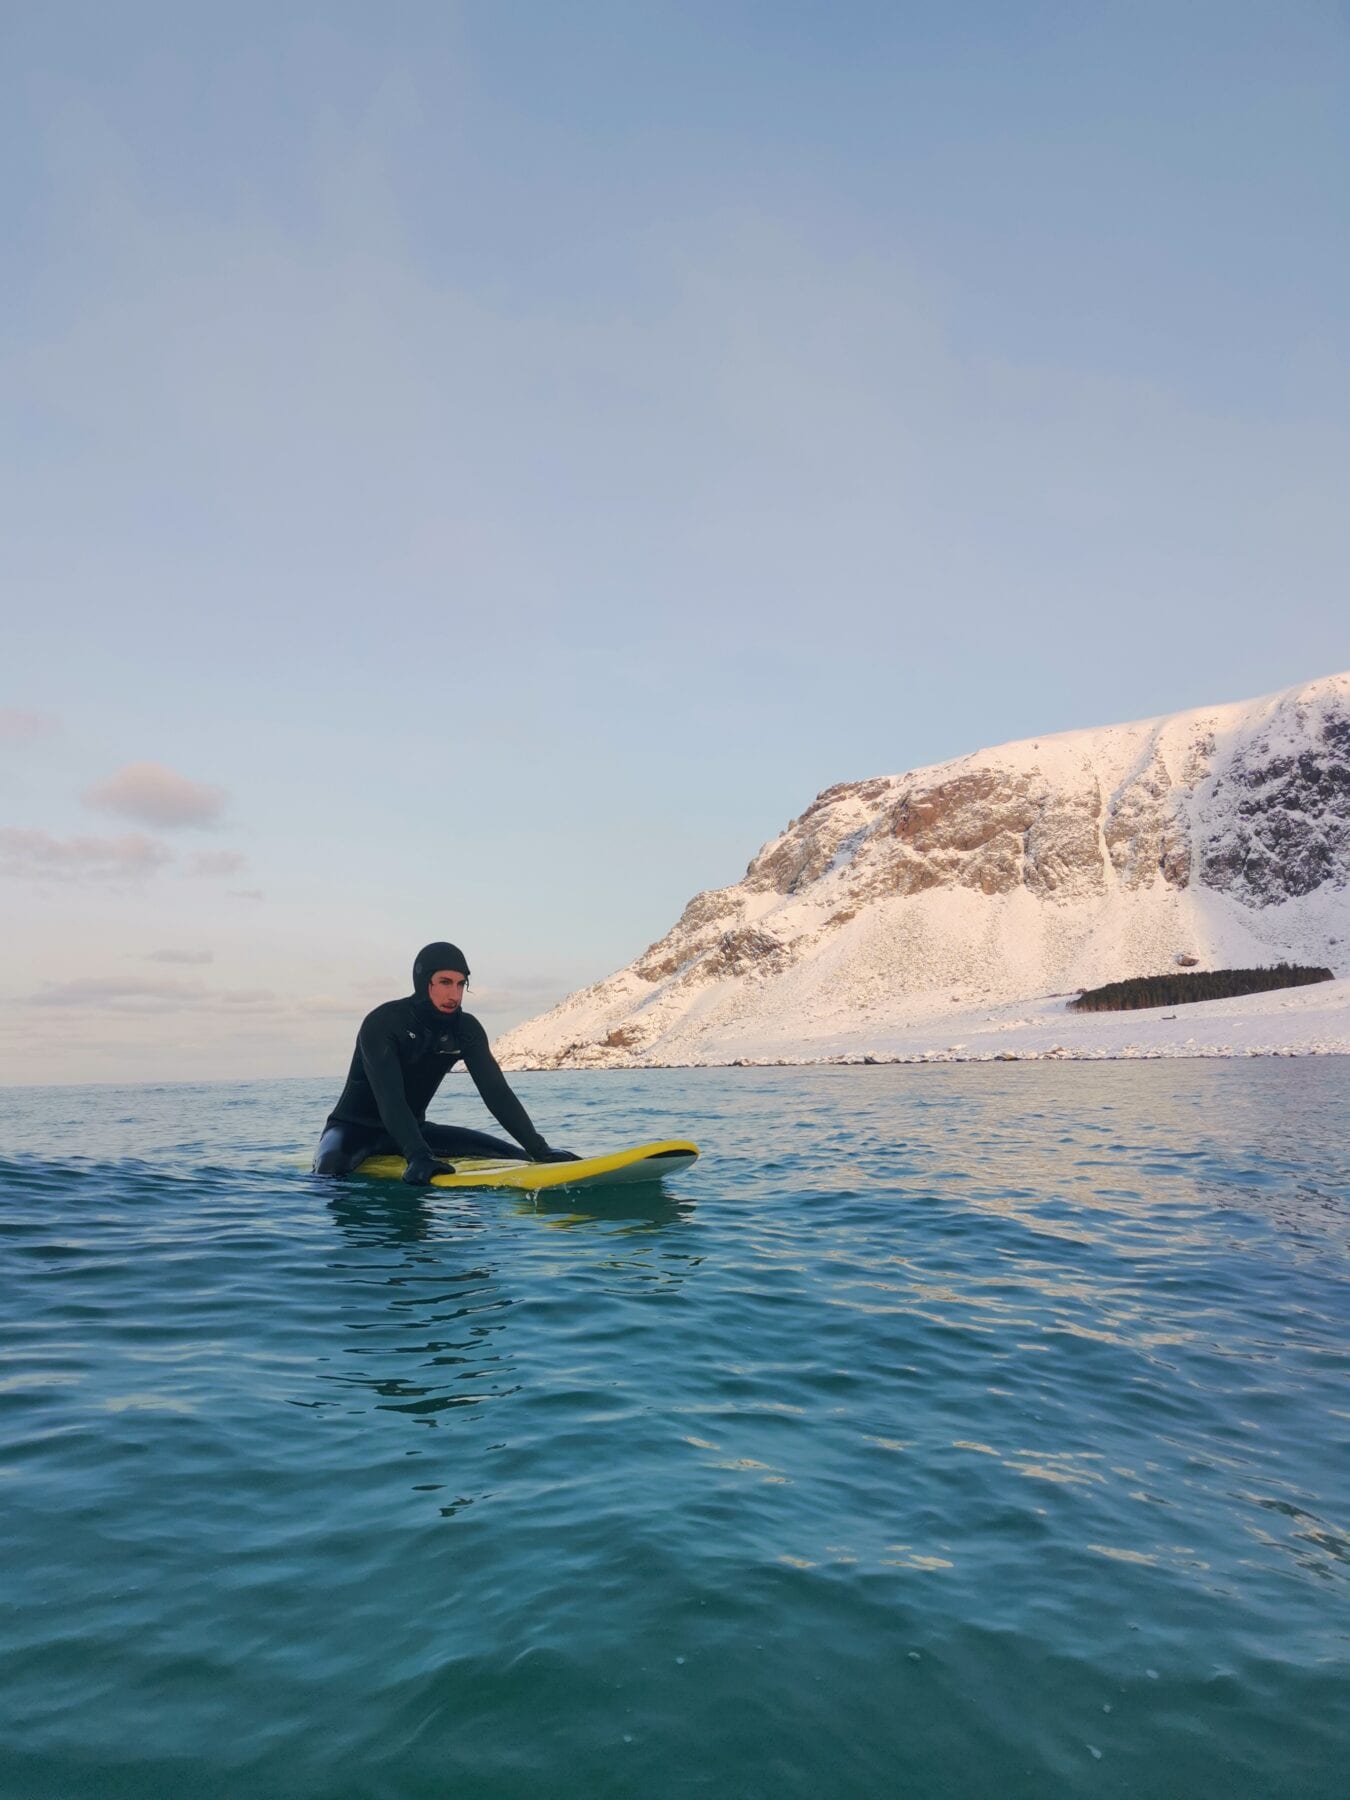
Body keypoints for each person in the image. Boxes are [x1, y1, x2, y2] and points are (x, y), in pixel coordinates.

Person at [313, 941, 578, 1183]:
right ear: (423, 981)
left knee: (520, 1156)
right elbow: (390, 1099)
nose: (454, 994)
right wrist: (417, 1155)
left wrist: (540, 1150)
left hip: (415, 1130)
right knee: (329, 1172)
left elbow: (496, 1092)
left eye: (461, 984)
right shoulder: (383, 1023)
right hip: (352, 1130)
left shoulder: (466, 1030)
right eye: (445, 982)